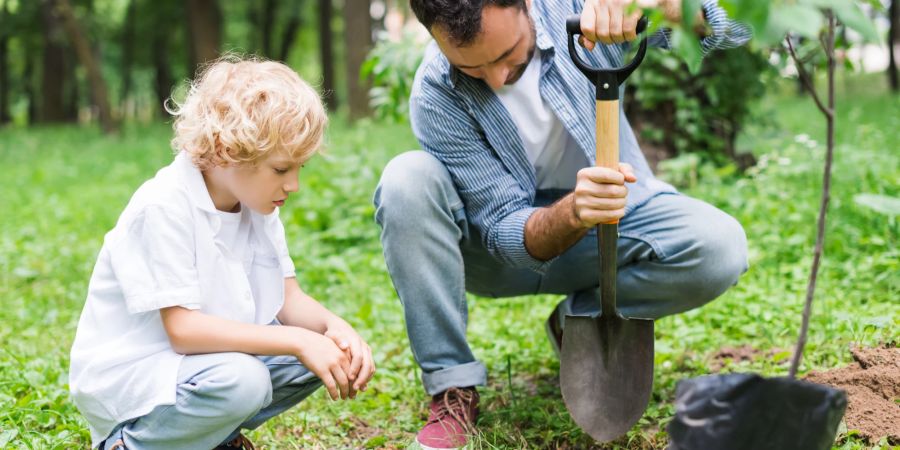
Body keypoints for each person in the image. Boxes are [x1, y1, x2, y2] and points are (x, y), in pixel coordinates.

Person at [373, 0, 751, 448]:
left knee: (720, 247)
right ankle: (452, 387)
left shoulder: (583, 7)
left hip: (613, 223)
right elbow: (502, 230)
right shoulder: (436, 92)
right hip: (495, 256)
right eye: (471, 67)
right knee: (406, 180)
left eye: (505, 53)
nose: (495, 78)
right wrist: (574, 210)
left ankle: (576, 323)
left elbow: (739, 26)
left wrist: (660, 7)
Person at [69, 56, 375, 450]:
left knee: (325, 353)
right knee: (245, 380)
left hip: (205, 366)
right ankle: (131, 443)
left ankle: (210, 437)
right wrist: (299, 340)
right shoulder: (164, 205)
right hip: (139, 374)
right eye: (281, 169)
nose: (295, 184)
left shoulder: (257, 204)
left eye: (300, 168)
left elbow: (289, 299)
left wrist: (335, 329)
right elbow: (182, 330)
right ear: (225, 149)